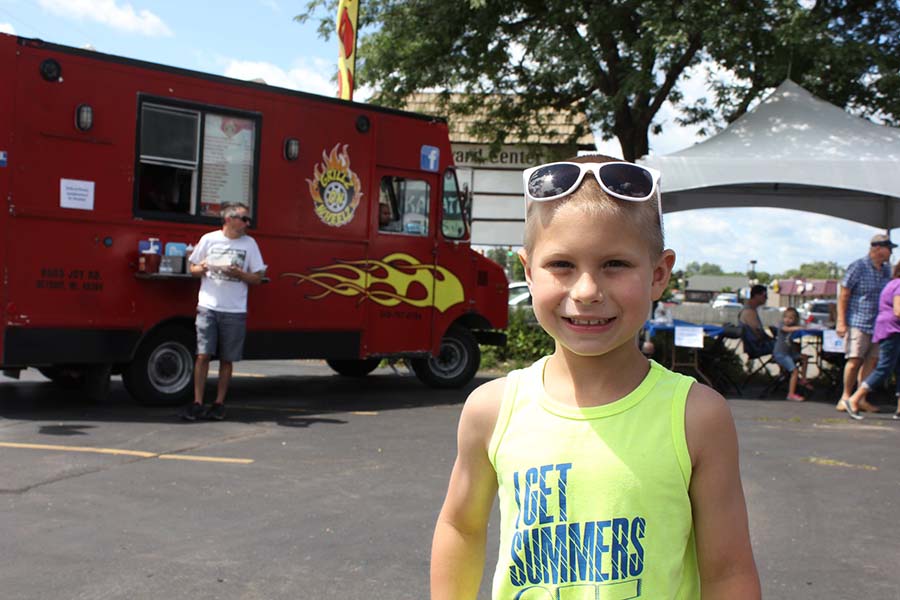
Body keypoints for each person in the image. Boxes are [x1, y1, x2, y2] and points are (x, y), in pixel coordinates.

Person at [430, 156, 760, 599]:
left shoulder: (696, 417)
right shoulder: (492, 410)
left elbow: (728, 572)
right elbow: (461, 527)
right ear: (527, 271)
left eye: (615, 265)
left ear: (659, 274)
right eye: (562, 264)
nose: (586, 291)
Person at [181, 203, 266, 421]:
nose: (247, 223)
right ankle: (197, 402)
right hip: (208, 306)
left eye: (248, 219)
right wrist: (206, 267)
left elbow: (257, 277)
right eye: (244, 219)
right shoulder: (209, 239)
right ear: (229, 219)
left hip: (234, 309)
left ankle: (219, 402)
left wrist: (240, 274)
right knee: (203, 355)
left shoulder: (250, 244)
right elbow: (192, 269)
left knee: (227, 359)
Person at [835, 233, 895, 414]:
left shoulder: (886, 270)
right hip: (858, 321)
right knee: (854, 360)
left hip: (878, 324)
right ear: (876, 248)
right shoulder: (858, 267)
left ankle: (860, 399)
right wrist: (841, 321)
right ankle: (845, 396)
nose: (890, 253)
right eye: (888, 249)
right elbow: (844, 294)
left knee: (872, 361)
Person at [843, 260, 900, 421]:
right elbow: (898, 310)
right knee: (884, 368)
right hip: (892, 330)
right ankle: (854, 398)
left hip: (887, 329)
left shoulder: (892, 283)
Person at [773, 307, 812, 401]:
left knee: (805, 357)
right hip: (781, 354)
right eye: (786, 317)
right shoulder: (781, 325)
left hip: (789, 353)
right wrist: (798, 328)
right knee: (794, 371)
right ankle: (791, 394)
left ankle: (803, 379)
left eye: (791, 318)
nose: (787, 320)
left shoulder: (793, 326)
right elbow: (786, 329)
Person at [739, 284, 775, 354]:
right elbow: (758, 333)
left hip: (755, 345)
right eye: (765, 296)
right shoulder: (749, 312)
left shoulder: (750, 310)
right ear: (756, 295)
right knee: (789, 346)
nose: (766, 298)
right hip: (757, 347)